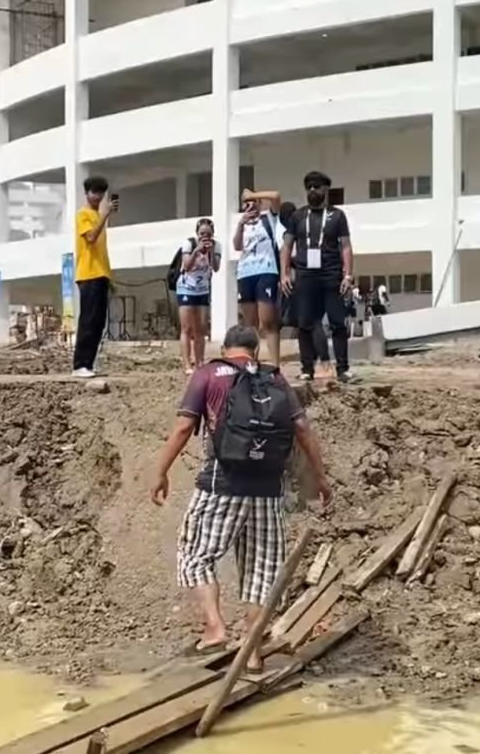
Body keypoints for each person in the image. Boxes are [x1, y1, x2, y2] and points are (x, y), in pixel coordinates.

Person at [150, 324, 332, 673]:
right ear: (255, 351)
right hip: (268, 491)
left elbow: (184, 427)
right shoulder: (275, 380)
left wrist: (161, 471)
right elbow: (303, 430)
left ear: (225, 348)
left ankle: (215, 628)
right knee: (263, 569)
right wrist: (320, 477)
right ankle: (251, 650)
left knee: (194, 554)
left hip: (221, 484)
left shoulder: (208, 374)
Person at [281, 171, 356, 383]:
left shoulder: (337, 216)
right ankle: (307, 369)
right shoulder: (298, 216)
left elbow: (346, 247)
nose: (313, 190)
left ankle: (343, 368)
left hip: (331, 275)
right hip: (305, 276)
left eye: (317, 187)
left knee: (337, 322)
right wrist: (285, 274)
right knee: (304, 323)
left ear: (326, 189)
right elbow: (286, 246)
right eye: (309, 187)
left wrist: (348, 275)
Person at [278, 200, 332, 379]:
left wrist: (290, 266)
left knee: (309, 324)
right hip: (319, 279)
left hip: (307, 281)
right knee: (308, 325)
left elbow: (307, 257)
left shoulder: (297, 232)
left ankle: (317, 365)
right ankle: (311, 366)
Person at [73, 176, 116, 378]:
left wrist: (109, 277)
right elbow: (90, 238)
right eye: (94, 192)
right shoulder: (83, 215)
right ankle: (79, 364)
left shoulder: (98, 216)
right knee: (88, 320)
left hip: (101, 274)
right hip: (88, 274)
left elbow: (101, 250)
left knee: (99, 322)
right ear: (87, 193)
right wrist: (105, 216)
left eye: (101, 192)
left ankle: (88, 364)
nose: (98, 197)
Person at [234, 188, 282, 366]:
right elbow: (237, 246)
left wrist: (252, 196)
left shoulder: (268, 218)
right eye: (246, 204)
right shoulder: (243, 224)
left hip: (266, 271)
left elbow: (276, 197)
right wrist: (240, 224)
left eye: (254, 203)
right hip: (245, 273)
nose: (250, 206)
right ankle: (251, 363)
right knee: (249, 324)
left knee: (268, 322)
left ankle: (275, 365)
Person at [176, 219, 222, 374]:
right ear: (197, 234)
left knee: (201, 328)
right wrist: (197, 251)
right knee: (186, 328)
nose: (205, 237)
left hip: (202, 290)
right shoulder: (189, 244)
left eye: (208, 234)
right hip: (186, 288)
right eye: (202, 234)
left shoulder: (216, 246)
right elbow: (187, 266)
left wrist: (210, 252)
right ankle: (187, 364)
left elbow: (216, 268)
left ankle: (200, 362)